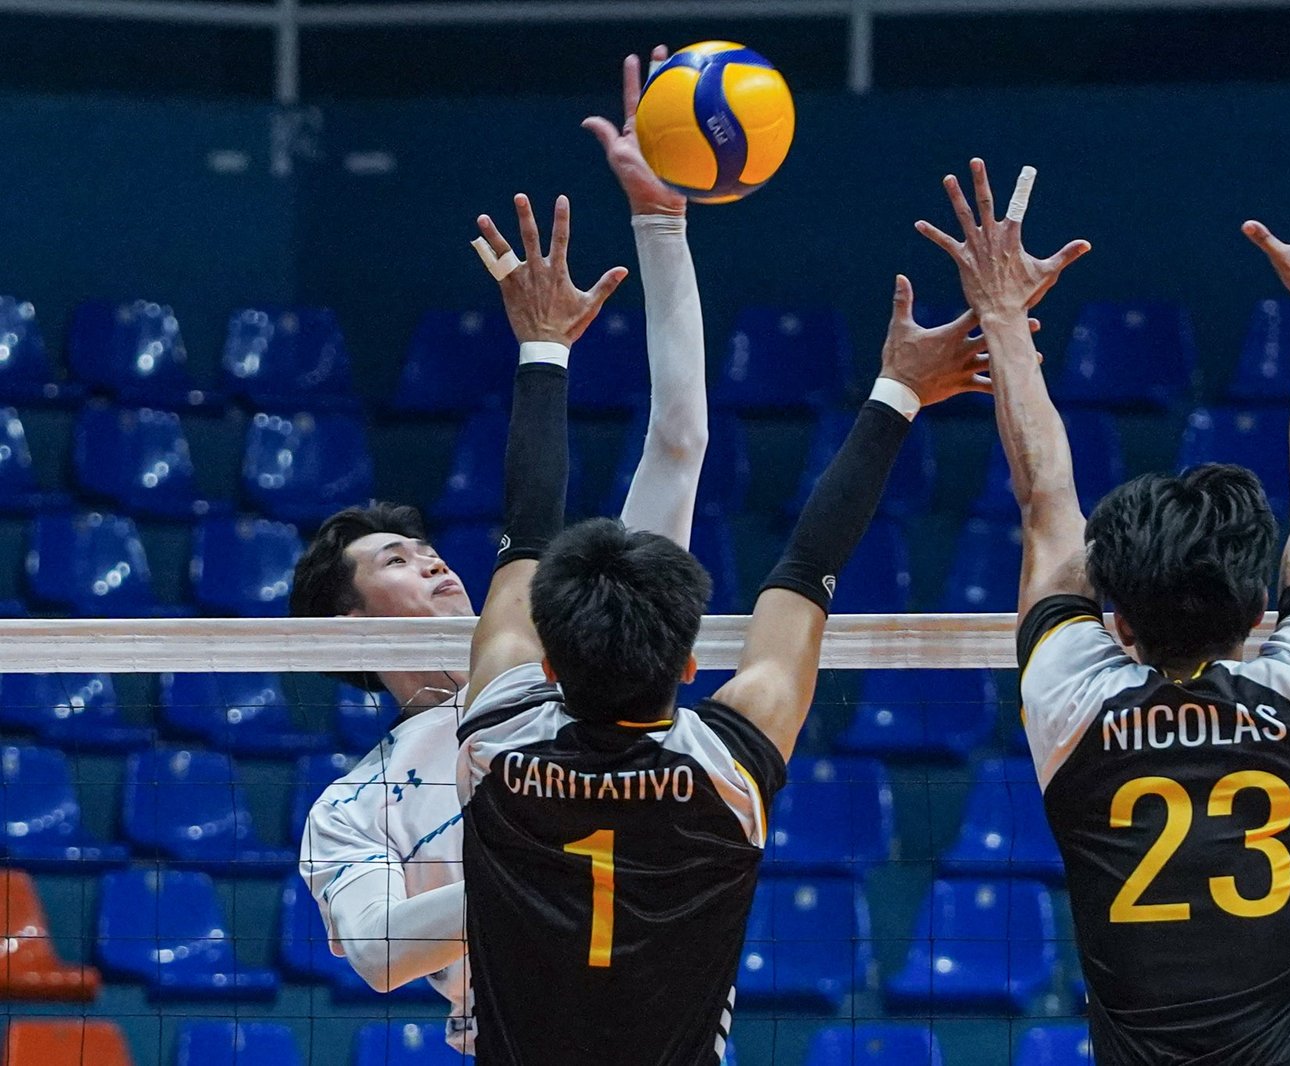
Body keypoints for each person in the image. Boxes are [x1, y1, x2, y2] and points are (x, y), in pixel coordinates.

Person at [454, 253, 994, 1061]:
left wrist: (543, 346)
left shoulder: (495, 743)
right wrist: (899, 392)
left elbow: (526, 533)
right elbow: (809, 569)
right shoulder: (722, 770)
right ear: (687, 666)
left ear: (551, 666)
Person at [919, 154, 1290, 1063]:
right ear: (1261, 604)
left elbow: (1044, 500)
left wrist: (1005, 318)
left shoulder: (1074, 710)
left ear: (1118, 620)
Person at [294, 48, 710, 1055]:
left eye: (430, 546)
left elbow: (679, 441)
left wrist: (660, 226)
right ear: (345, 633)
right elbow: (377, 948)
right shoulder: (352, 802)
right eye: (394, 559)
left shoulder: (587, 669)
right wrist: (547, 861)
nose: (433, 563)